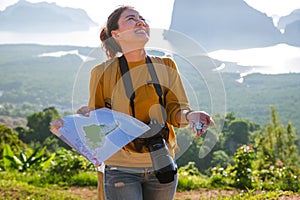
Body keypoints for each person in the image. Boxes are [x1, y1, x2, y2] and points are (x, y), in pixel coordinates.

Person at [52, 5, 214, 200]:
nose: (140, 21)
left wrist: (191, 115)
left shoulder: (166, 66)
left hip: (162, 164)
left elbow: (176, 112)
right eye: (131, 19)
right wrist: (76, 121)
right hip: (120, 168)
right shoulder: (101, 73)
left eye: (142, 18)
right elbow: (97, 121)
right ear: (116, 34)